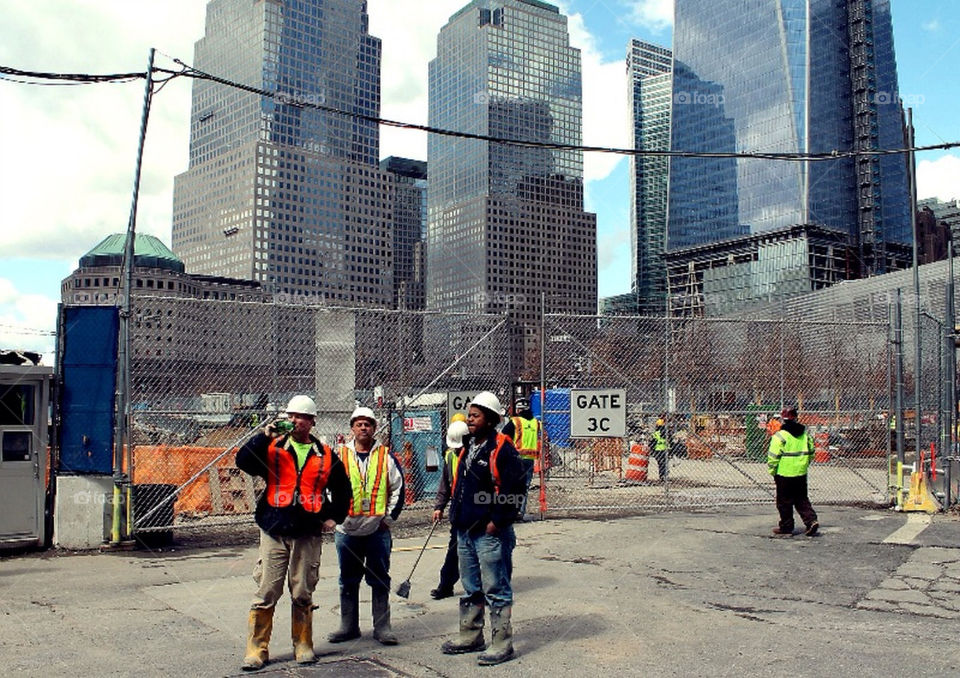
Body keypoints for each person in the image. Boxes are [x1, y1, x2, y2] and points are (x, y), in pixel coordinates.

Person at [235, 395, 351, 671]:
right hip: (274, 527)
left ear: (311, 422)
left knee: (302, 590)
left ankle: (303, 644)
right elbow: (244, 462)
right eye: (291, 416)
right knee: (267, 589)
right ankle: (257, 649)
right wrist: (263, 436)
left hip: (307, 531)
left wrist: (334, 516)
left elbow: (343, 488)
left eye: (301, 417)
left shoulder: (324, 454)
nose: (295, 421)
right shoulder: (273, 446)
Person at [441, 391, 525, 666]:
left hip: (489, 534)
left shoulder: (502, 449)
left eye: (476, 415)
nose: (470, 419)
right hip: (465, 530)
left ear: (490, 419)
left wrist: (496, 523)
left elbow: (515, 490)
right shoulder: (468, 447)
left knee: (496, 586)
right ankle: (471, 635)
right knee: (470, 586)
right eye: (469, 415)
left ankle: (502, 642)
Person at [328, 407, 405, 645]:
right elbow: (325, 488)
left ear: (374, 428)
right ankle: (348, 626)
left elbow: (397, 490)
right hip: (347, 531)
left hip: (376, 531)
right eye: (359, 424)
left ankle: (382, 627)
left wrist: (388, 520)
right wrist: (332, 517)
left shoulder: (385, 456)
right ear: (352, 428)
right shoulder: (338, 456)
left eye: (368, 424)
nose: (364, 428)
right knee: (348, 579)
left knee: (379, 577)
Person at [430, 415, 469, 599]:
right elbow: (445, 483)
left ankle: (482, 588)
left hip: (476, 509)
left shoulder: (476, 454)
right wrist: (439, 506)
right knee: (454, 549)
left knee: (478, 551)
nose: (456, 449)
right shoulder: (450, 455)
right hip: (458, 508)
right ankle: (446, 585)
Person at [767, 406, 819, 537]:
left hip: (784, 473)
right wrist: (804, 464)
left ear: (783, 420)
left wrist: (772, 471)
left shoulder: (780, 436)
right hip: (800, 473)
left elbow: (773, 456)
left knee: (784, 502)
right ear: (796, 418)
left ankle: (786, 527)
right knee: (802, 499)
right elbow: (812, 452)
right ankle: (811, 521)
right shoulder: (805, 435)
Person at [500, 396, 544, 517]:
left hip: (516, 458)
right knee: (524, 487)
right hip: (530, 459)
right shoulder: (536, 423)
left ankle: (510, 511)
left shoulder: (515, 421)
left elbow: (503, 436)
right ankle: (520, 511)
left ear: (518, 409)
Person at [650, 417, 669, 482]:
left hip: (658, 451)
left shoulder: (656, 434)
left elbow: (652, 442)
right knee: (665, 463)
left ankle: (661, 476)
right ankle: (665, 475)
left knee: (660, 464)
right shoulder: (667, 433)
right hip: (665, 450)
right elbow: (670, 441)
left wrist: (651, 450)